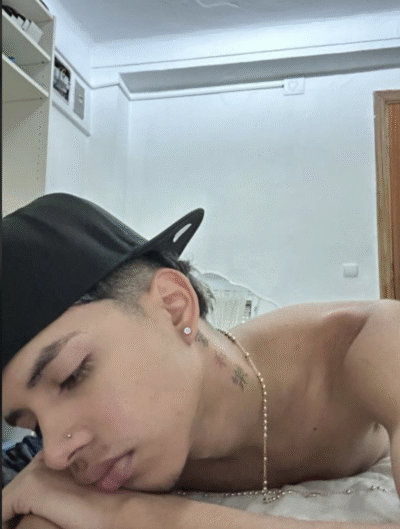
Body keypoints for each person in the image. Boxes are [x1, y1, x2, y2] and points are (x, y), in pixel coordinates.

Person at [2, 193, 399, 529]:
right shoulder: (75, 472)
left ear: (174, 305)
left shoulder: (368, 340)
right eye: (33, 424)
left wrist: (128, 514)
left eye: (72, 376)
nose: (57, 452)